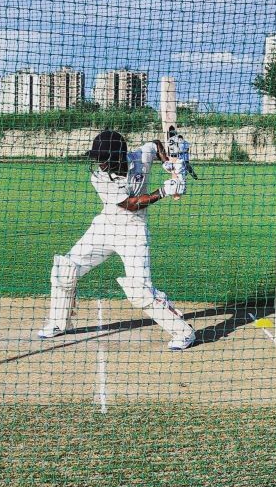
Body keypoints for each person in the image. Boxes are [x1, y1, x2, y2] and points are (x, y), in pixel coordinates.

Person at [37, 130, 196, 350]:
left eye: (104, 159)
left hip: (134, 233)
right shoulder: (99, 178)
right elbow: (130, 204)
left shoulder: (141, 156)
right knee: (65, 270)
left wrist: (169, 162)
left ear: (118, 156)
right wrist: (163, 191)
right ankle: (58, 322)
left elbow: (156, 144)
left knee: (140, 292)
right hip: (106, 227)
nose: (100, 164)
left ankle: (184, 333)